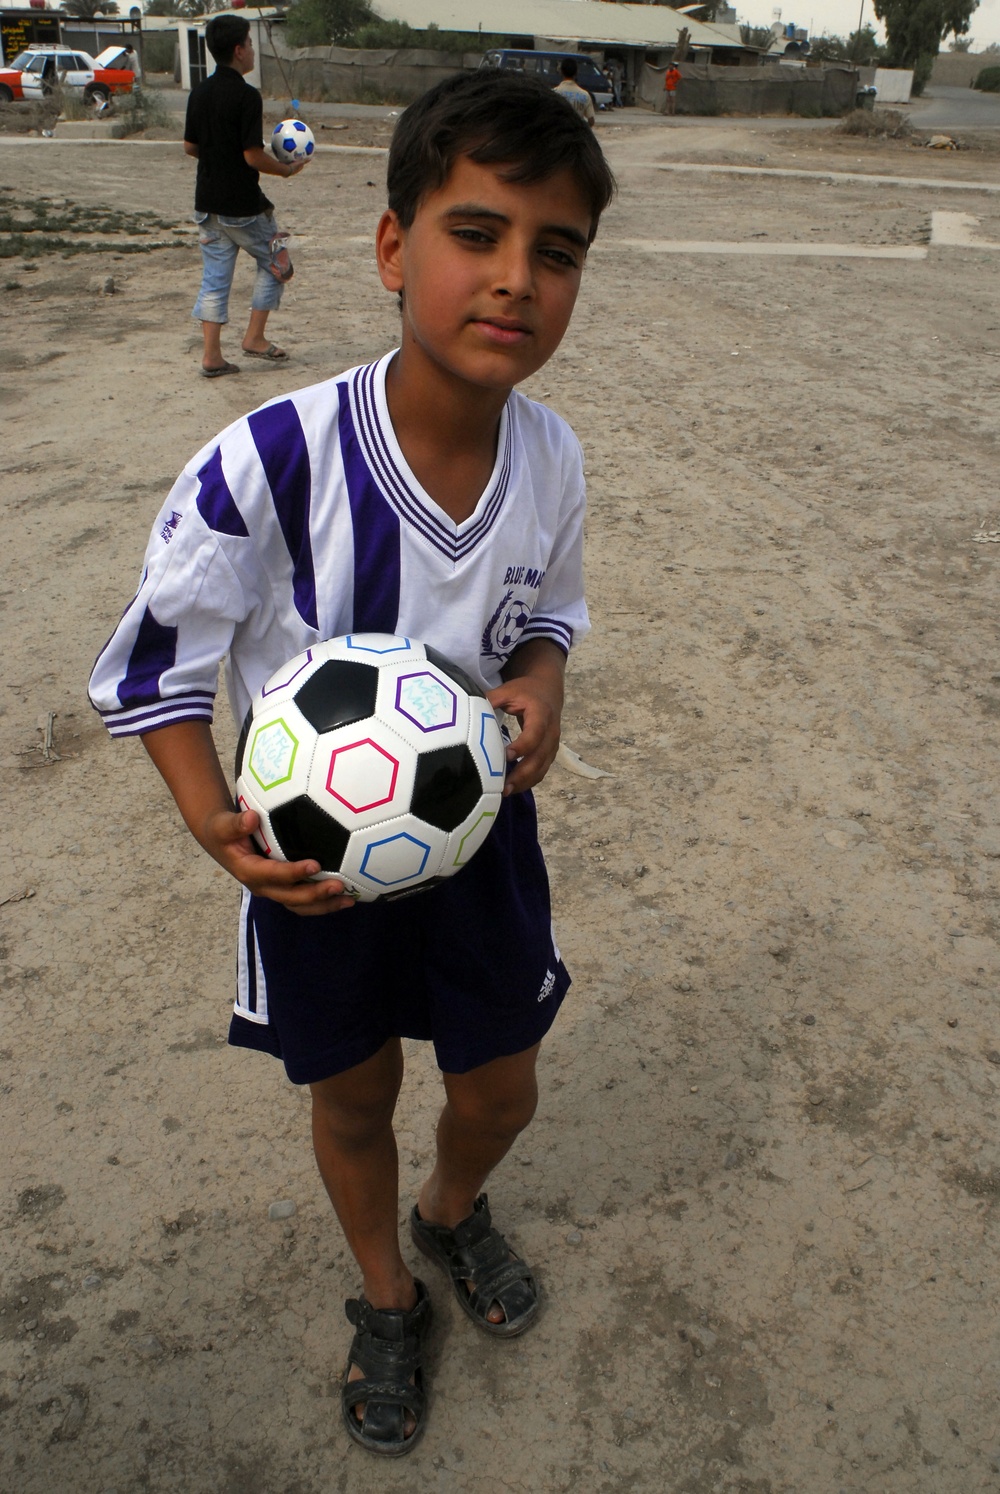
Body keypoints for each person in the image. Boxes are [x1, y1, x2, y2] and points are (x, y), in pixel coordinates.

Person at [88, 68, 615, 1457]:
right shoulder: (266, 461)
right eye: (477, 232)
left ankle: (450, 1212)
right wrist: (216, 821)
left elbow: (548, 611)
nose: (515, 280)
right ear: (393, 247)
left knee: (503, 1086)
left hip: (482, 837)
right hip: (317, 867)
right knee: (357, 1092)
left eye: (554, 254)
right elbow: (156, 667)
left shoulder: (551, 458)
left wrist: (543, 681)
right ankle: (386, 1288)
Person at [183, 14, 304, 379]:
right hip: (244, 208)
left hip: (208, 206)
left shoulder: (199, 92)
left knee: (215, 280)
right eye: (250, 44)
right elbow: (252, 155)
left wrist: (218, 155)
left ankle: (212, 357)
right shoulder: (247, 96)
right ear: (238, 51)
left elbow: (190, 146)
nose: (253, 50)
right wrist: (286, 169)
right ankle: (254, 337)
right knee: (278, 265)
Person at [553, 56, 596, 127]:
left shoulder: (554, 93)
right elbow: (591, 121)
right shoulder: (585, 95)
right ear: (576, 72)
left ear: (561, 72)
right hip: (577, 135)